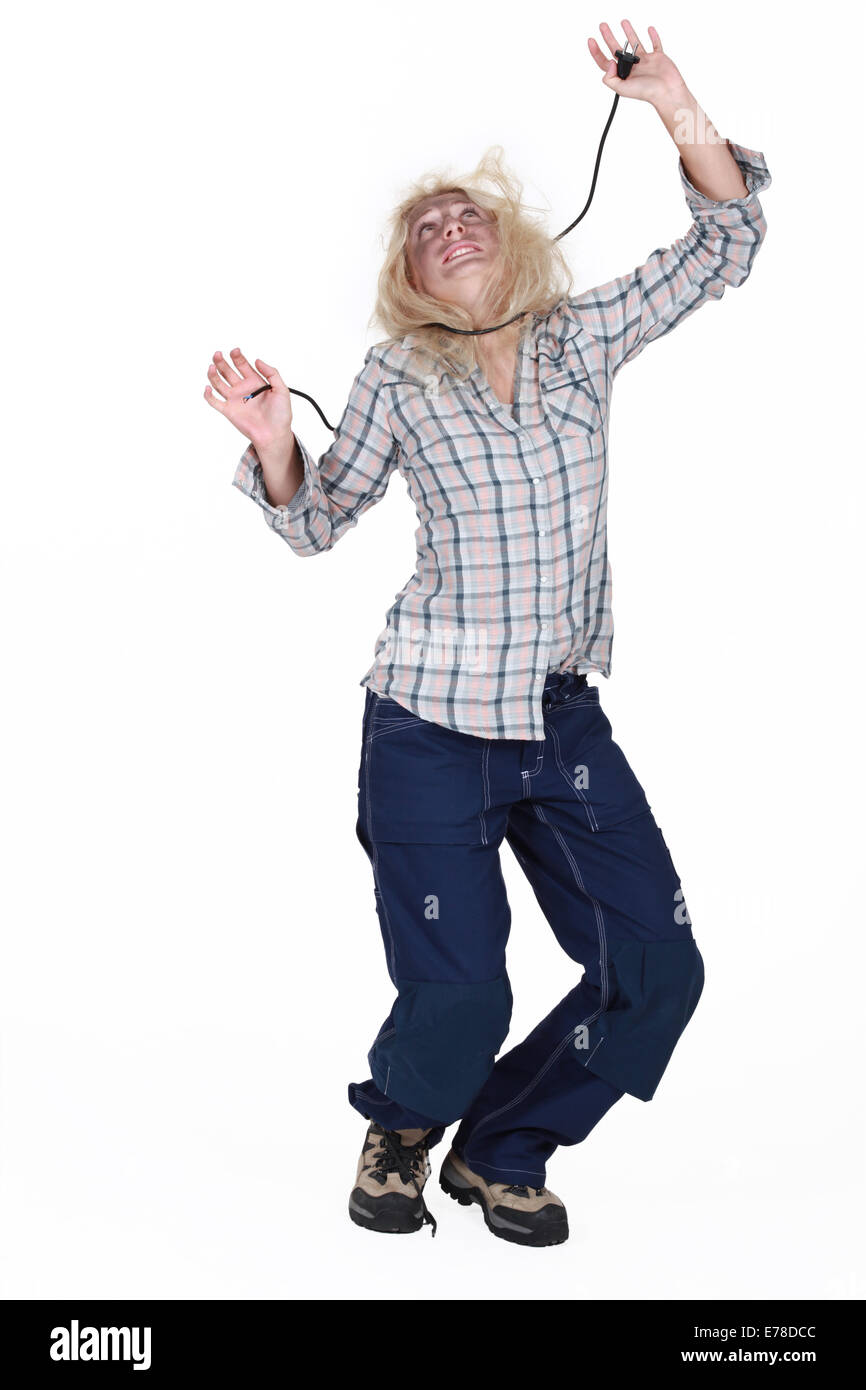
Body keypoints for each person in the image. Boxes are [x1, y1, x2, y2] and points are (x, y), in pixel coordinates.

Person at [204, 20, 771, 1247]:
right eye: (424, 229)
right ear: (410, 279)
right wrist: (268, 440)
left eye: (466, 215)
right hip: (427, 721)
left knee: (658, 972)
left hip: (559, 715)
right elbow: (317, 523)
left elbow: (728, 239)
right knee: (461, 990)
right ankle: (408, 1121)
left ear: (509, 239)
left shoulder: (585, 337)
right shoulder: (401, 374)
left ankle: (506, 1143)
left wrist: (673, 102)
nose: (448, 229)